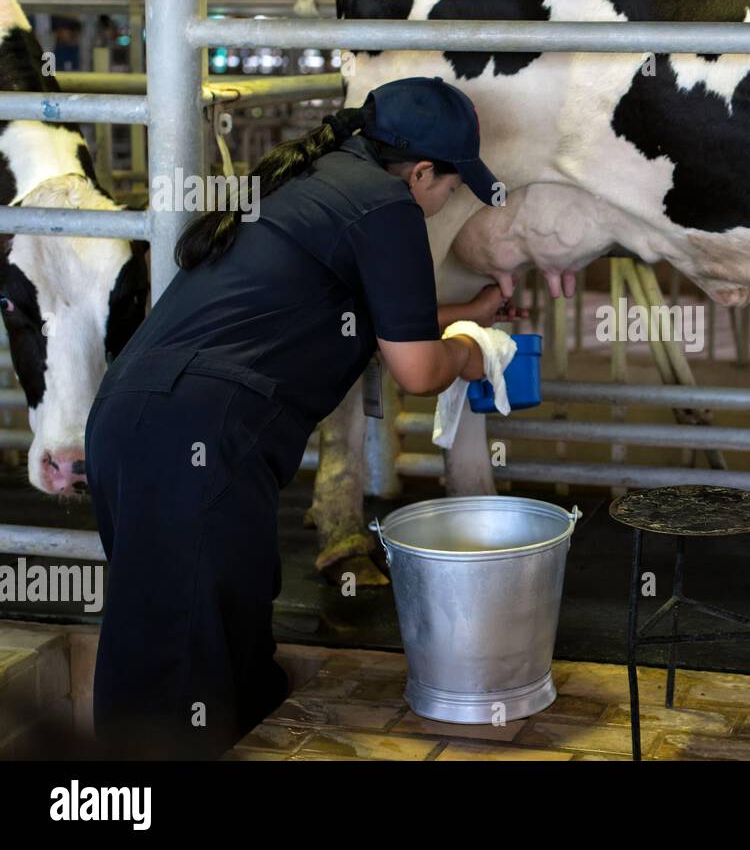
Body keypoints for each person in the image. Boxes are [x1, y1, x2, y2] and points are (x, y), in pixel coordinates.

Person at [84, 76, 518, 759]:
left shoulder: (320, 178)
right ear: (423, 172)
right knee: (185, 672)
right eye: (453, 187)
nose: (449, 201)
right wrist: (478, 351)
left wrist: (471, 313)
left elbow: (387, 327)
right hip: (198, 433)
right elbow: (416, 367)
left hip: (138, 420)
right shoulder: (388, 207)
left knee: (206, 647)